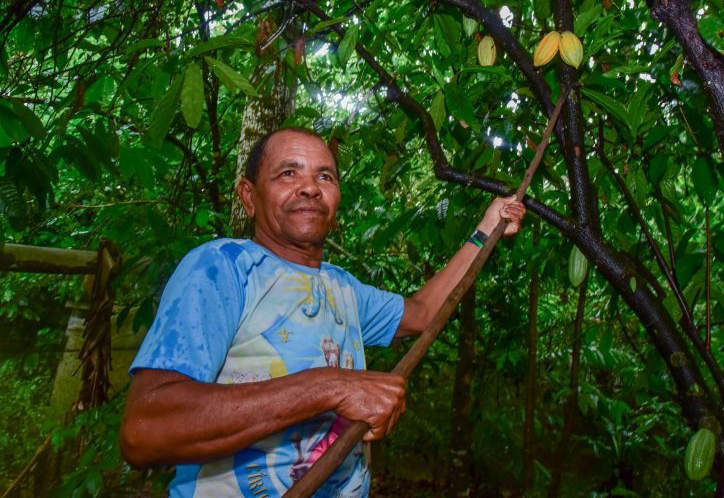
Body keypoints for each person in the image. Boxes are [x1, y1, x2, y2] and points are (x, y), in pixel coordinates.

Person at [120, 127, 525, 497]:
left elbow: (421, 312)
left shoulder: (342, 287)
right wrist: (332, 387)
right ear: (249, 196)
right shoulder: (221, 268)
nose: (310, 188)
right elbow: (146, 430)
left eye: (325, 176)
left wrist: (485, 230)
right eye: (288, 174)